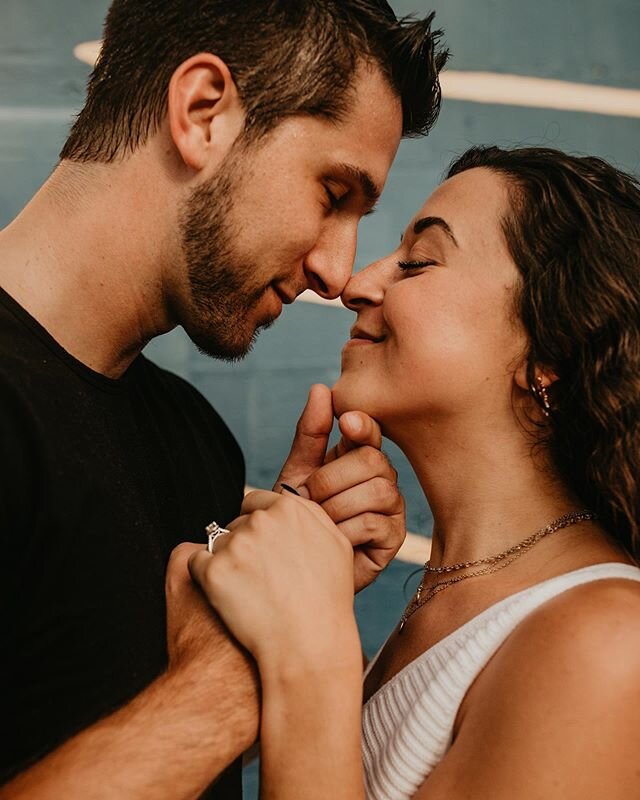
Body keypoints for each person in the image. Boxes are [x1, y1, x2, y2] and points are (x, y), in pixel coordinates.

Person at [0, 2, 449, 798]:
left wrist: (285, 582)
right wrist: (234, 679)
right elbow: (195, 712)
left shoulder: (196, 440)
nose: (338, 271)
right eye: (333, 191)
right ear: (203, 111)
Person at [190, 145, 640, 799]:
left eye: (418, 263)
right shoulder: (450, 602)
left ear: (551, 354)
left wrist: (310, 650)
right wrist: (283, 587)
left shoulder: (610, 645)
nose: (357, 285)